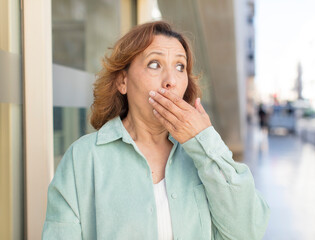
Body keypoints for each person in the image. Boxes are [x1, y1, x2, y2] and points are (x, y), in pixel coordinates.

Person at [42, 21, 270, 240]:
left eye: (180, 67)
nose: (171, 80)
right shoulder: (82, 158)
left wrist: (204, 141)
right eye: (154, 64)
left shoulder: (203, 154)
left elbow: (248, 231)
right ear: (123, 81)